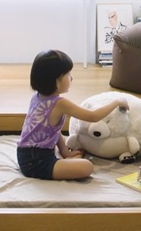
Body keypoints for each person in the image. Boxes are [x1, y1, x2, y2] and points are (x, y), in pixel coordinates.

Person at [17, 49, 130, 180]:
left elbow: (52, 131)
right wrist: (116, 102)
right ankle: (62, 164)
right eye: (68, 74)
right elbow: (93, 116)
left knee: (78, 158)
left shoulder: (37, 97)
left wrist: (65, 151)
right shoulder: (59, 103)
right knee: (87, 166)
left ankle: (65, 161)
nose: (71, 78)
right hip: (37, 162)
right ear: (56, 80)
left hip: (24, 154)